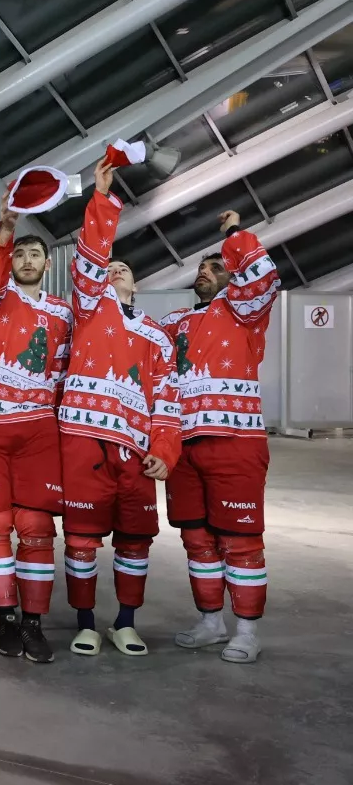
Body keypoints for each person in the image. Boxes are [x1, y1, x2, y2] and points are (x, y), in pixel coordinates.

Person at [57, 155, 180, 658]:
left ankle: (126, 621)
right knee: (82, 542)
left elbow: (168, 400)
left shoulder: (156, 336)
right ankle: (86, 622)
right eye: (108, 269)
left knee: (134, 543)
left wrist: (166, 452)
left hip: (134, 452)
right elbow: (88, 264)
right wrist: (103, 202)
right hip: (83, 441)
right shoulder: (88, 310)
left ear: (135, 285)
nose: (114, 272)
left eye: (122, 270)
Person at [0, 197, 73, 662]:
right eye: (18, 254)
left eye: (33, 255)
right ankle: (5, 617)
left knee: (37, 527)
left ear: (47, 263)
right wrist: (4, 230)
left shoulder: (64, 313)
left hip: (38, 428)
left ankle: (33, 623)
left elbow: (67, 374)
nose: (25, 261)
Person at [160, 210, 279, 663]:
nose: (205, 273)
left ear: (234, 277)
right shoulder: (173, 323)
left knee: (240, 539)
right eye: (203, 268)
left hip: (235, 440)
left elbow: (262, 274)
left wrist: (232, 234)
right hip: (184, 445)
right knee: (197, 539)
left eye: (218, 268)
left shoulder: (246, 311)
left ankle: (248, 630)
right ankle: (211, 621)